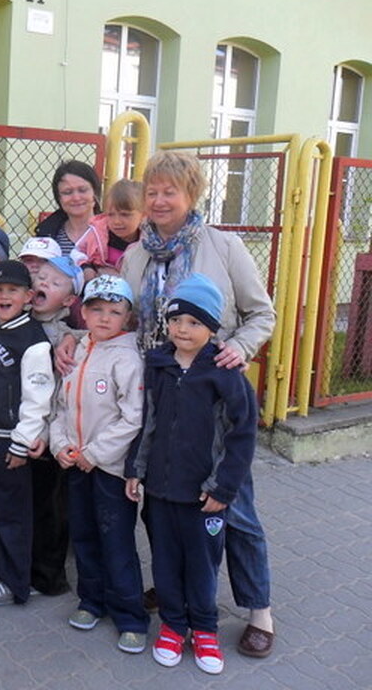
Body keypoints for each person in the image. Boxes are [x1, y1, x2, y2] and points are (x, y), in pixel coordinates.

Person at [56, 151, 277, 657]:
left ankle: (258, 609)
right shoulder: (136, 254)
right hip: (154, 395)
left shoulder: (222, 246)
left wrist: (238, 348)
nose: (158, 200)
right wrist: (75, 336)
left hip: (210, 395)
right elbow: (119, 318)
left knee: (232, 503)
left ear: (190, 194)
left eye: (169, 191)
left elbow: (260, 313)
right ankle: (175, 590)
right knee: (161, 504)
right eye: (151, 191)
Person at [125, 273, 258, 674]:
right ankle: (172, 626)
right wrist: (136, 469)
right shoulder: (158, 364)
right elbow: (147, 421)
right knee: (165, 561)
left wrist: (223, 488)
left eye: (194, 322)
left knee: (201, 565)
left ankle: (203, 629)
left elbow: (241, 435)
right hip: (160, 492)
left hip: (204, 496)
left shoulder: (225, 373)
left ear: (212, 328)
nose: (182, 329)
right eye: (176, 319)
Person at [41, 275, 148, 653]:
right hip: (75, 464)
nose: (104, 318)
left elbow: (132, 418)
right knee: (84, 535)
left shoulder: (128, 358)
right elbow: (60, 407)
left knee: (116, 542)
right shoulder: (78, 350)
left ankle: (130, 616)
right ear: (82, 313)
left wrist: (95, 453)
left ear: (128, 317)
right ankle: (92, 601)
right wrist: (61, 445)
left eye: (114, 312)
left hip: (108, 470)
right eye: (96, 309)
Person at [0, 260, 54, 608]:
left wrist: (21, 443)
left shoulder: (33, 341)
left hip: (8, 438)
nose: (5, 296)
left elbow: (38, 398)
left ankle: (15, 583)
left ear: (28, 296)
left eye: (13, 290)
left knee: (11, 512)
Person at [28, 255, 84, 597]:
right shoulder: (15, 318)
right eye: (41, 277)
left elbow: (63, 397)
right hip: (17, 429)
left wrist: (73, 337)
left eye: (55, 282)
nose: (44, 283)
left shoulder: (66, 337)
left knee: (50, 507)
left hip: (49, 434)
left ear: (69, 300)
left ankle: (49, 577)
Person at [75, 179, 144, 282]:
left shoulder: (148, 241)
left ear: (143, 215)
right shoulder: (97, 234)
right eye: (110, 214)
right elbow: (76, 252)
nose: (116, 221)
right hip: (96, 283)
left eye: (125, 214)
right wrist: (85, 268)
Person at [35, 160, 101, 256]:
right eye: (67, 192)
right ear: (59, 198)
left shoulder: (112, 232)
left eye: (82, 190)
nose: (76, 198)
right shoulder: (46, 233)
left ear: (95, 193)